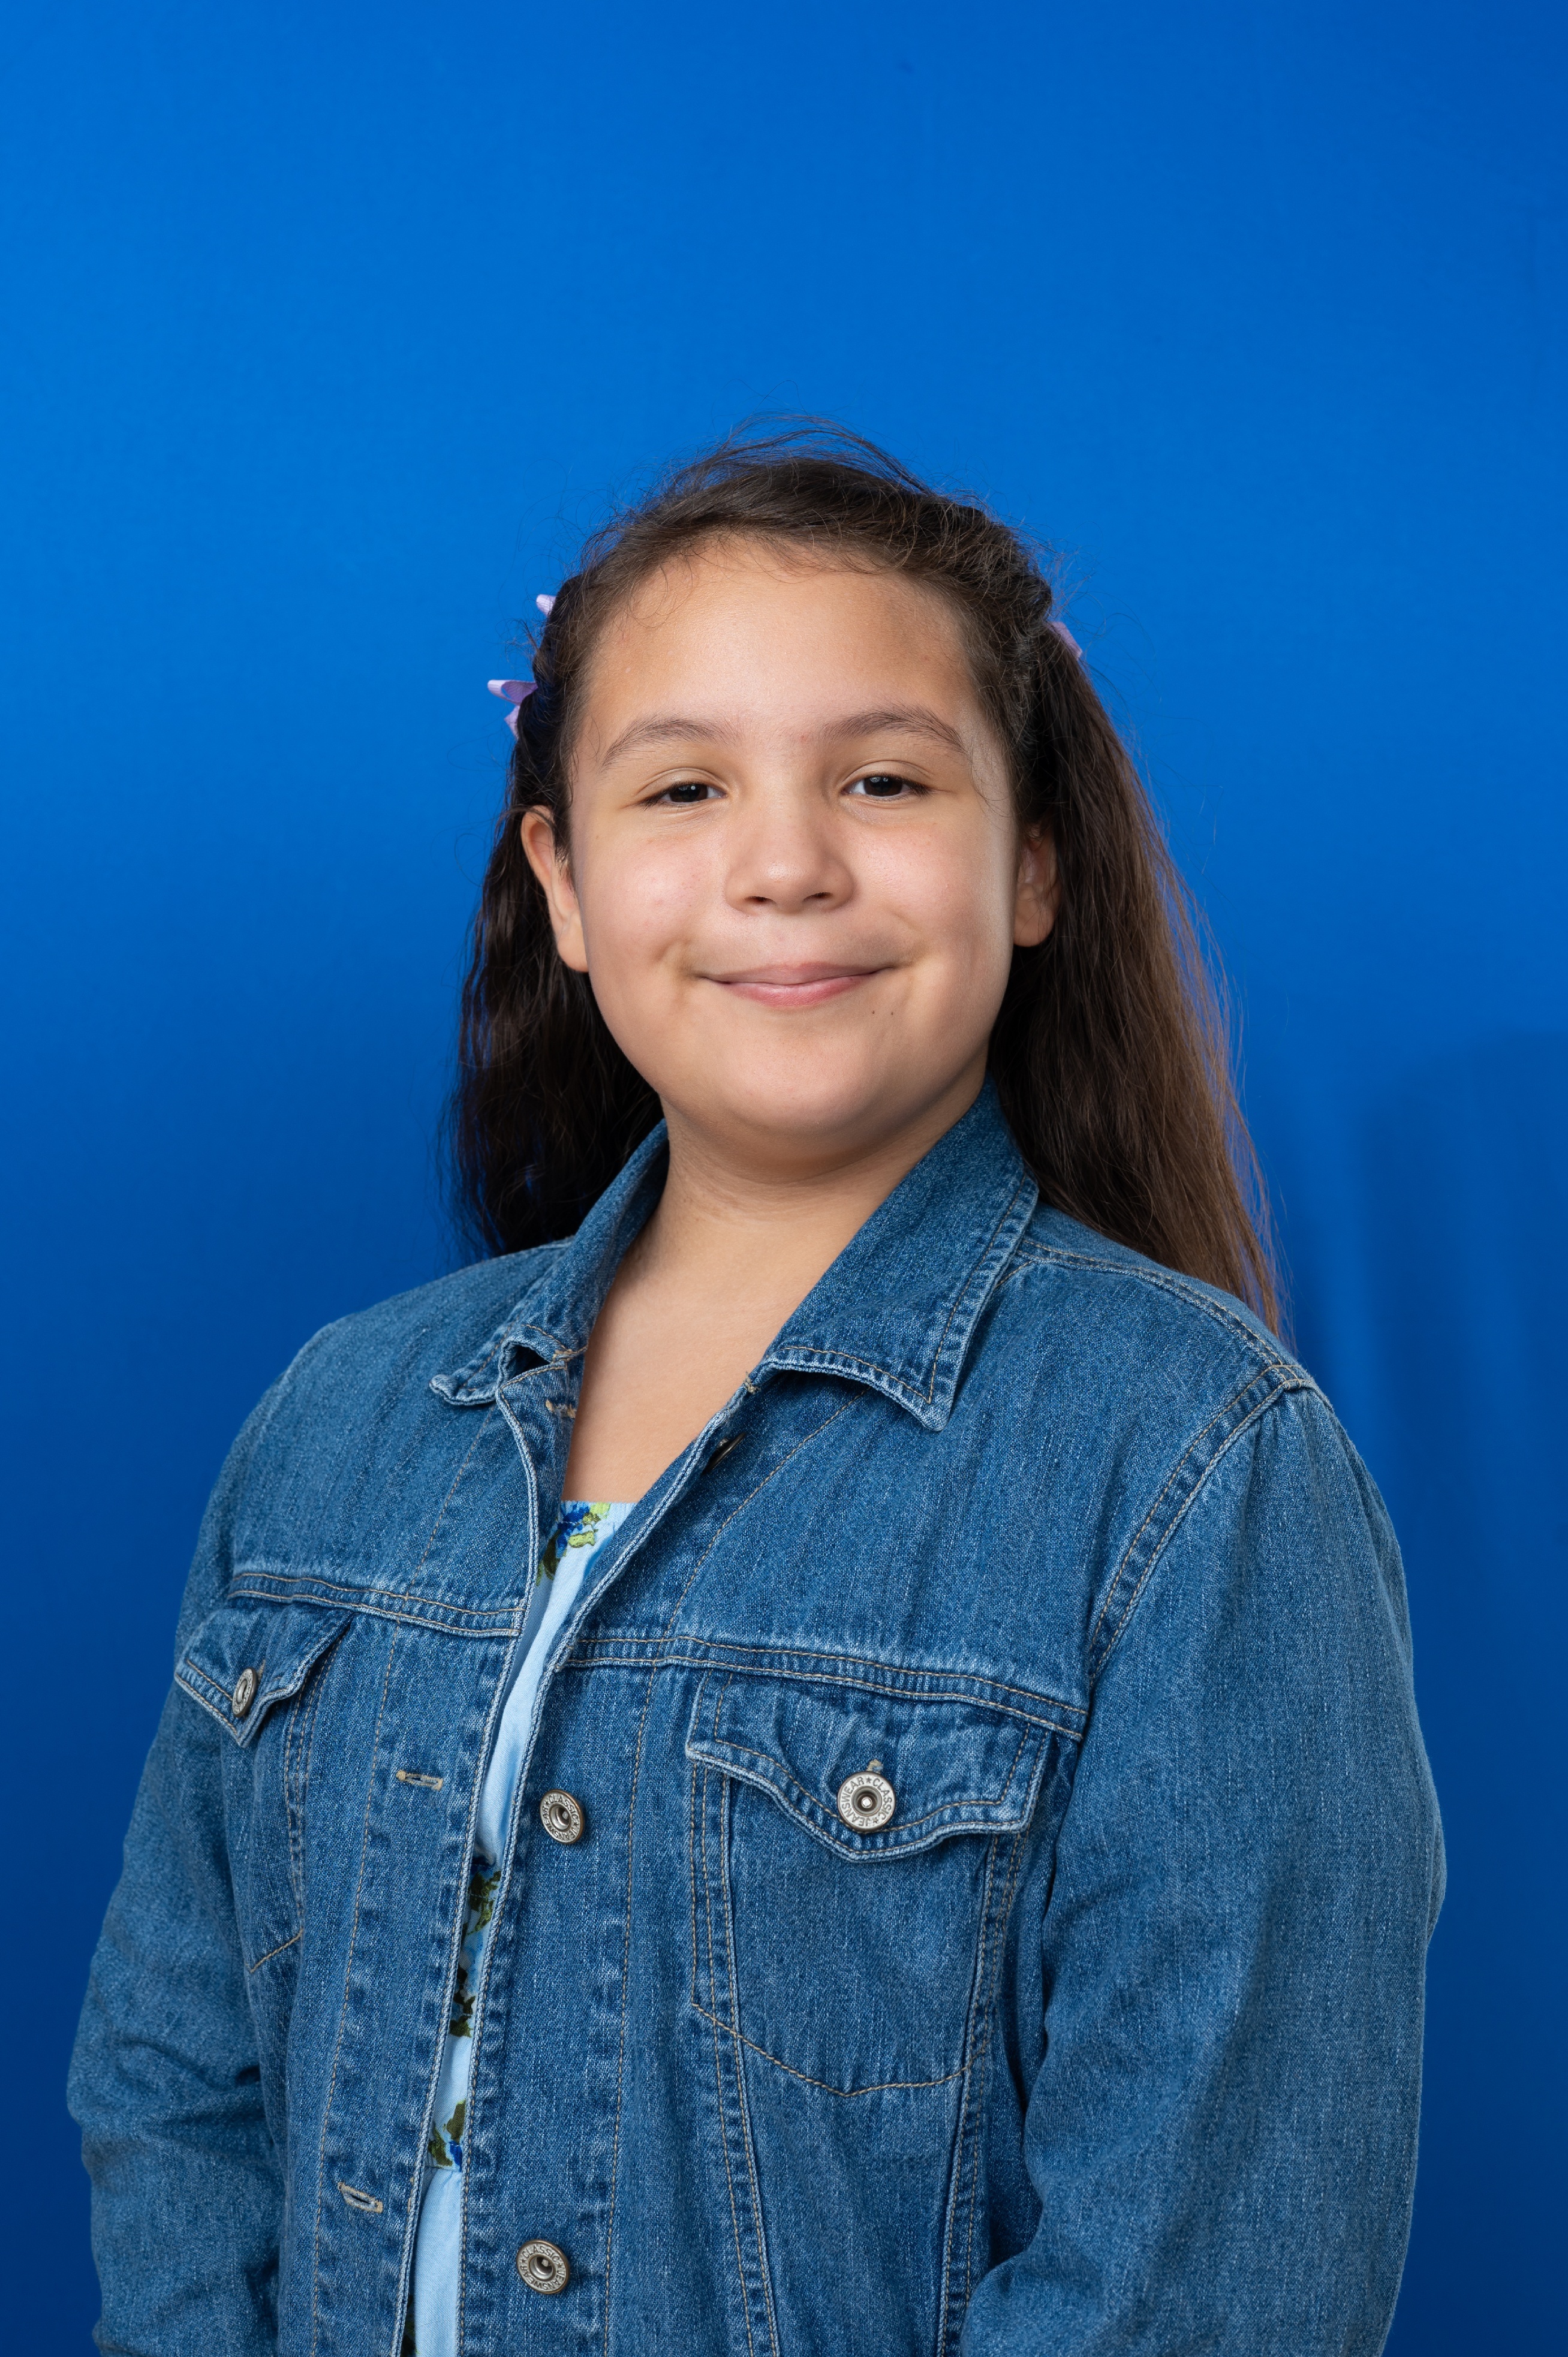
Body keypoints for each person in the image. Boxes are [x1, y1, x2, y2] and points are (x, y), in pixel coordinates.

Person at [70, 426, 1443, 2357]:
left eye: (884, 778)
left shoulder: (1198, 1471)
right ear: (562, 878)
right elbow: (174, 2080)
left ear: (1031, 859)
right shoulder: (341, 1423)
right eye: (683, 786)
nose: (785, 864)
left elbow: (1206, 2277)